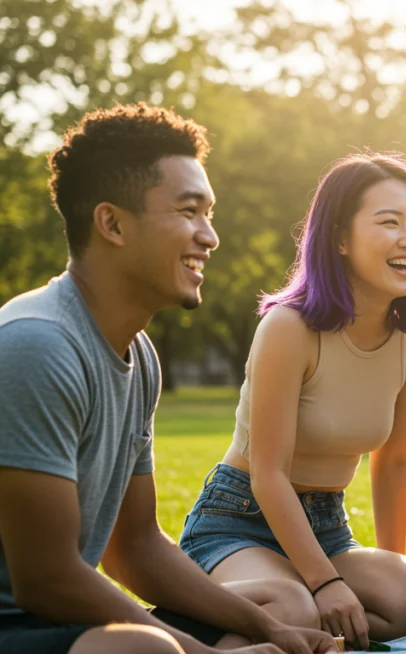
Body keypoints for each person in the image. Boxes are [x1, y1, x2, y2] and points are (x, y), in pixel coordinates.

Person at [0, 104, 338, 654]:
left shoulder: (140, 357)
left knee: (283, 603)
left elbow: (133, 545)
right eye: (189, 212)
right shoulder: (37, 345)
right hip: (18, 622)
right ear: (111, 223)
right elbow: (47, 578)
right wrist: (195, 651)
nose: (210, 237)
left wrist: (271, 630)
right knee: (150, 650)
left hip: (53, 622)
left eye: (209, 214)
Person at [178, 153, 406, 651]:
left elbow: (393, 460)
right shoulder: (290, 329)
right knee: (296, 612)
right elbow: (269, 474)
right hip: (237, 519)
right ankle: (197, 630)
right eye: (388, 222)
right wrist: (328, 584)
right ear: (340, 239)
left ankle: (249, 631)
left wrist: (391, 569)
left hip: (326, 523)